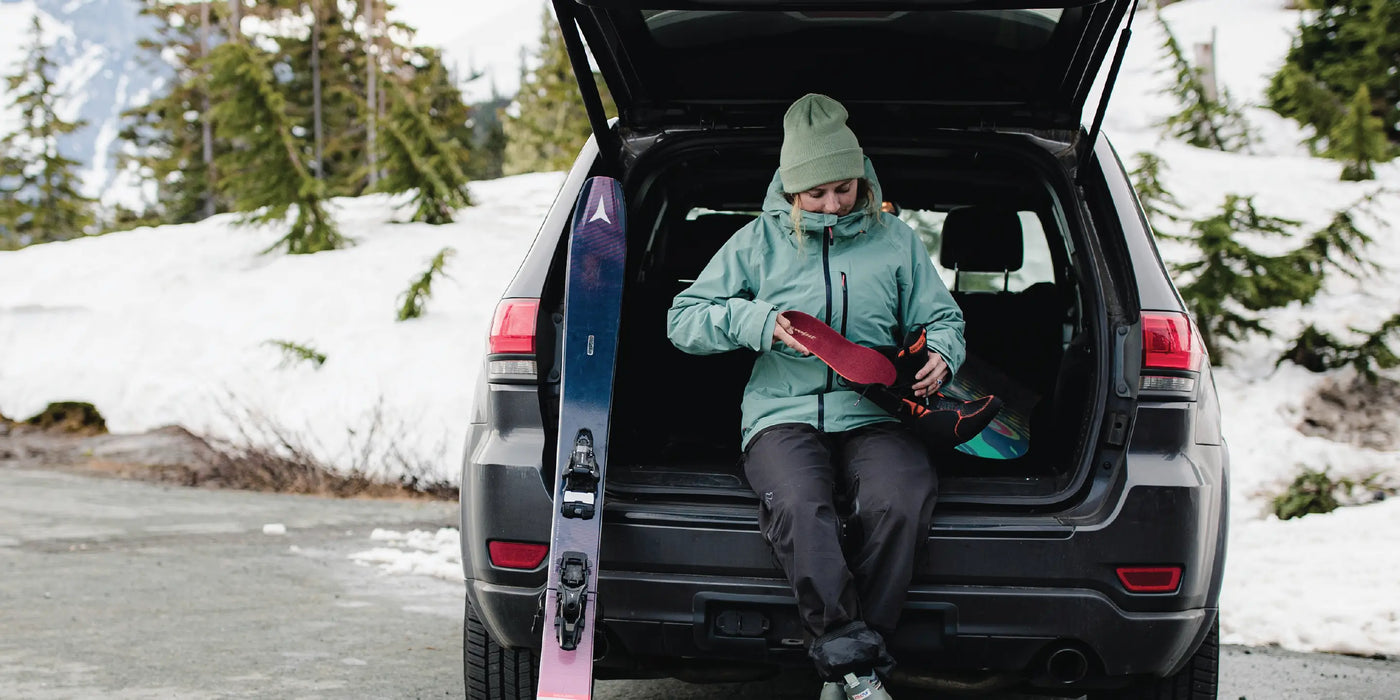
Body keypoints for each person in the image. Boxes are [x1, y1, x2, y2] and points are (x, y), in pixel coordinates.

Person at [666, 94, 966, 700]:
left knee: (899, 498)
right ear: (790, 189)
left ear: (861, 177)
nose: (833, 204)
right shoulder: (757, 242)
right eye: (817, 193)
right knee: (802, 504)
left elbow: (944, 317)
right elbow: (684, 320)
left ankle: (853, 666)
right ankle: (858, 669)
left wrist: (941, 352)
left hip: (876, 412)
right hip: (782, 414)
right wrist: (756, 322)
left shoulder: (897, 242)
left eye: (845, 188)